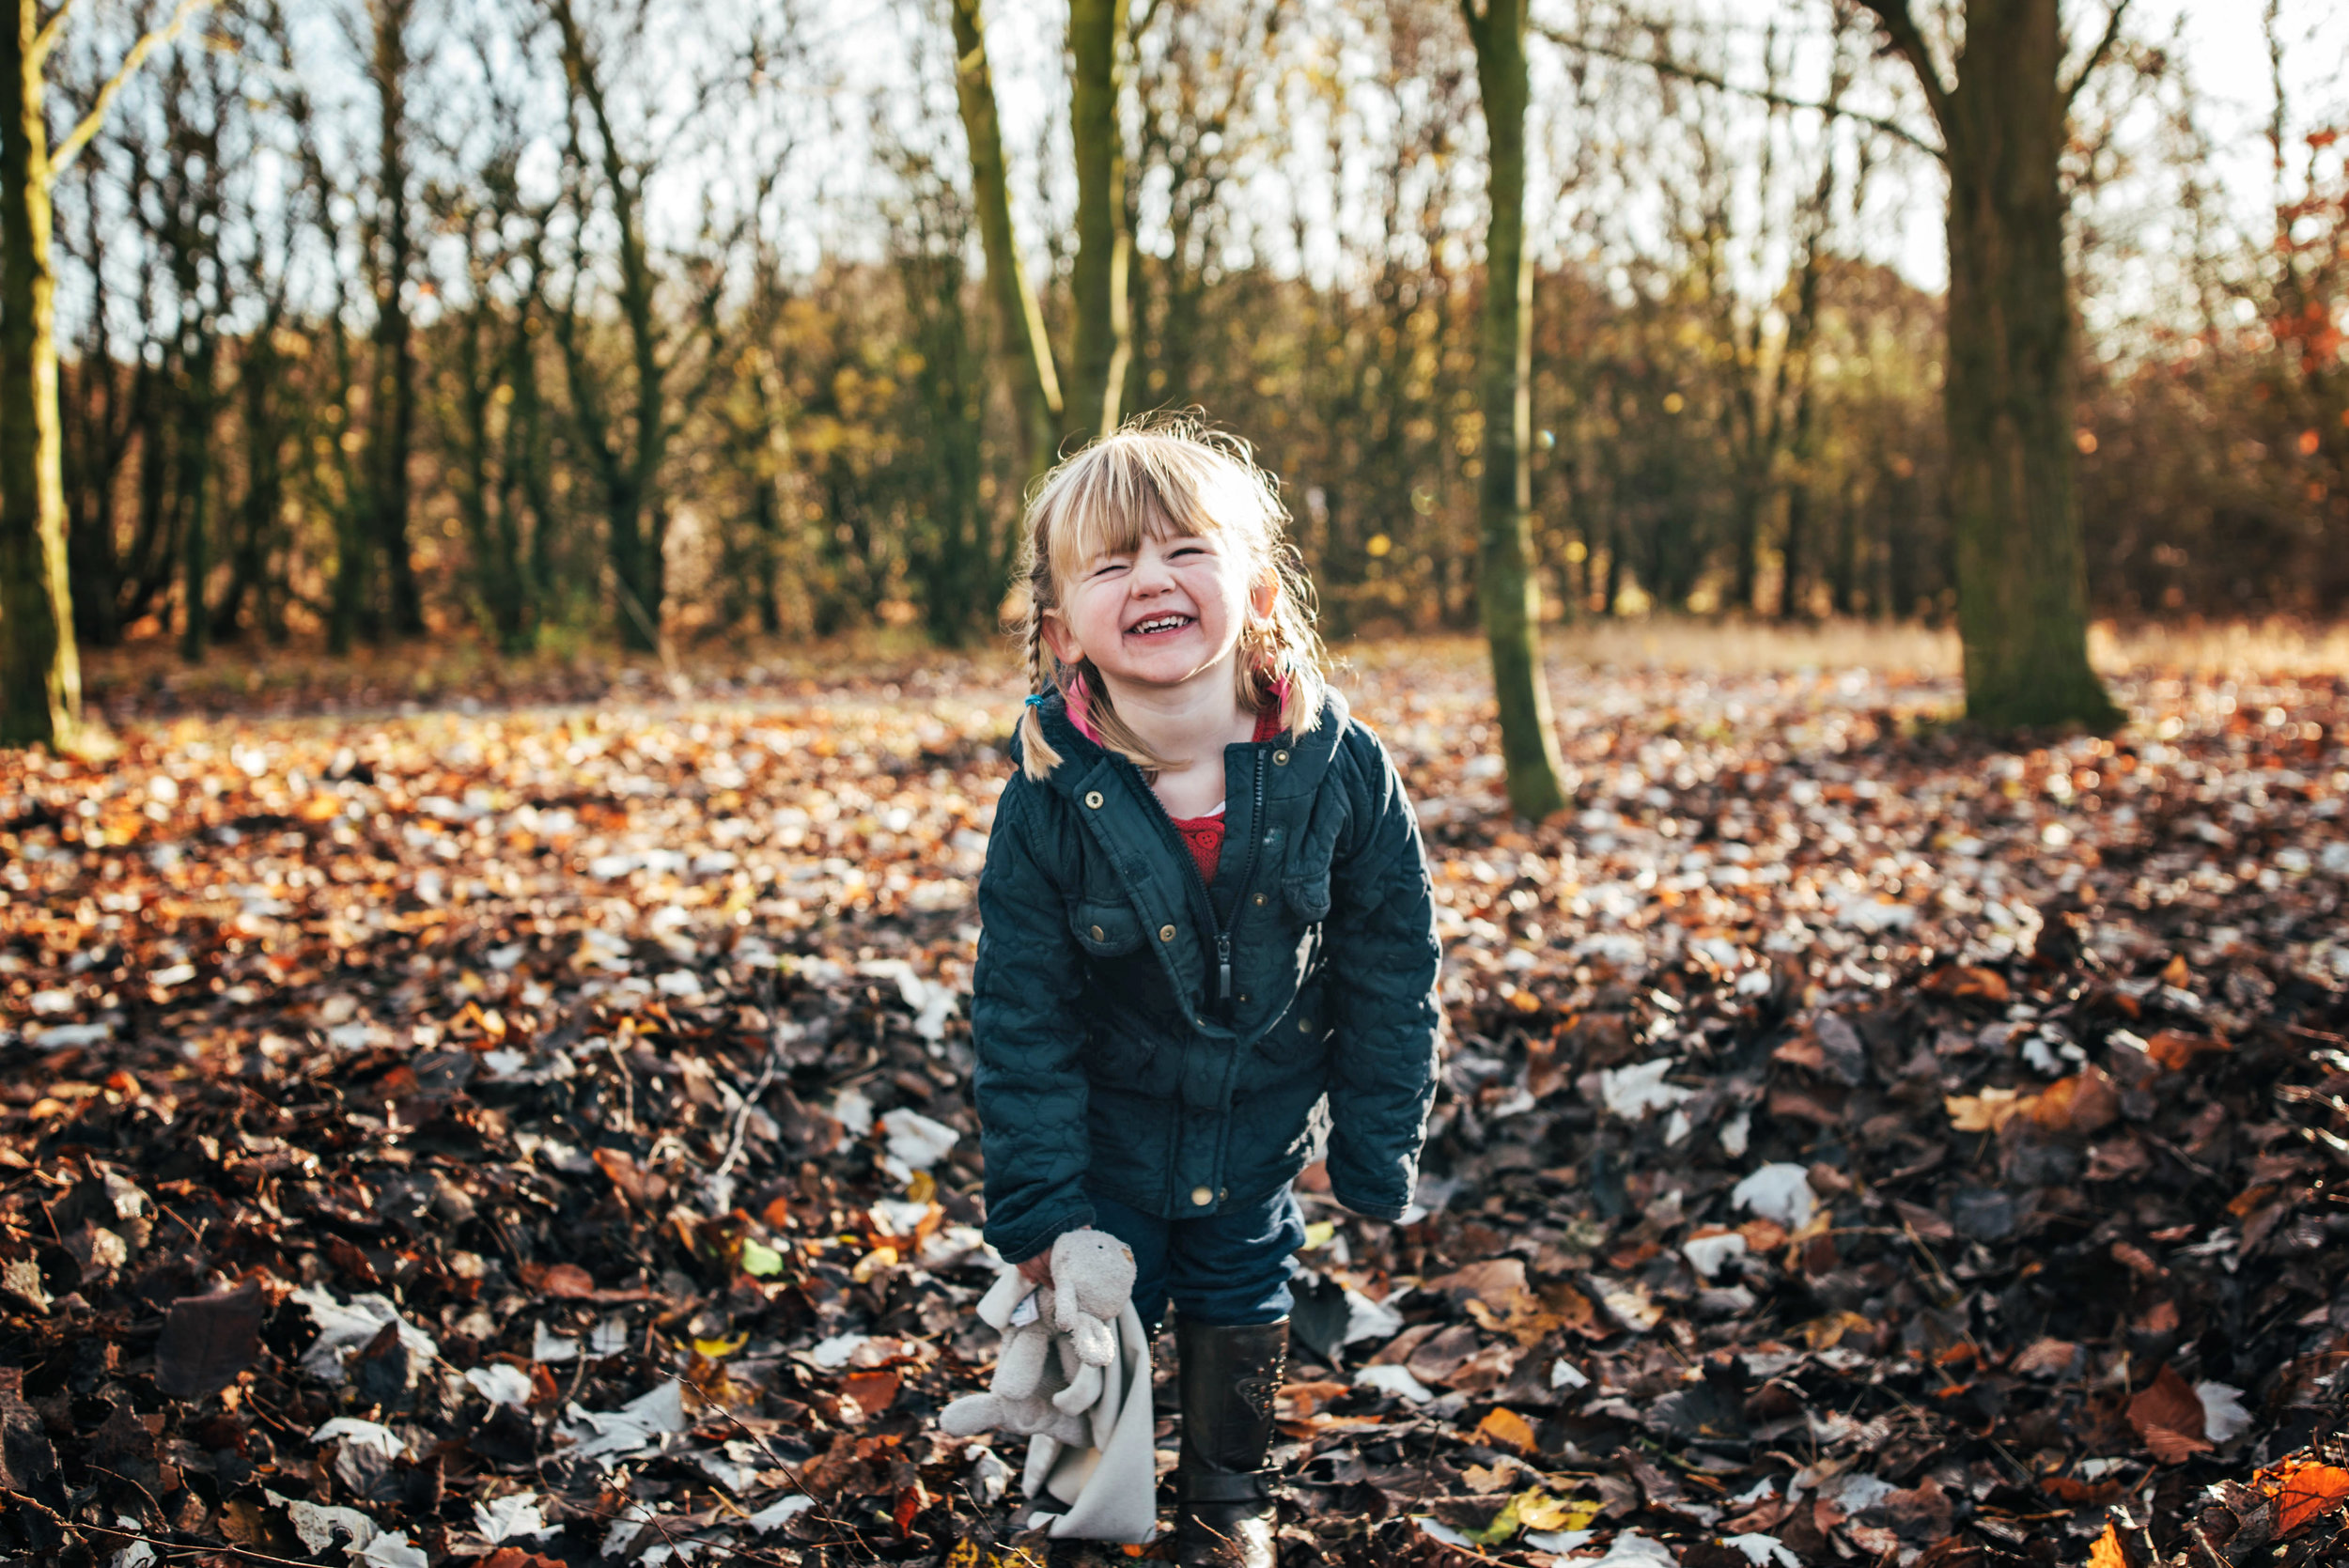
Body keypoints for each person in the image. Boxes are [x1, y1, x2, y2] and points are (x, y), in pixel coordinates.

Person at [970, 416, 1443, 1568]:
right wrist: (1042, 1209)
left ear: (1260, 590)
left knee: (1242, 1273)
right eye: (1110, 564)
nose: (1151, 579)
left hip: (1259, 1119)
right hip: (1108, 1135)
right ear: (1059, 631)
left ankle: (1228, 1499)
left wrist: (1377, 1146)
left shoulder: (1341, 764)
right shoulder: (1047, 796)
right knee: (1097, 1307)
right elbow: (1019, 1011)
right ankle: (1086, 1498)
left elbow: (1391, 962)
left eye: (1184, 550)